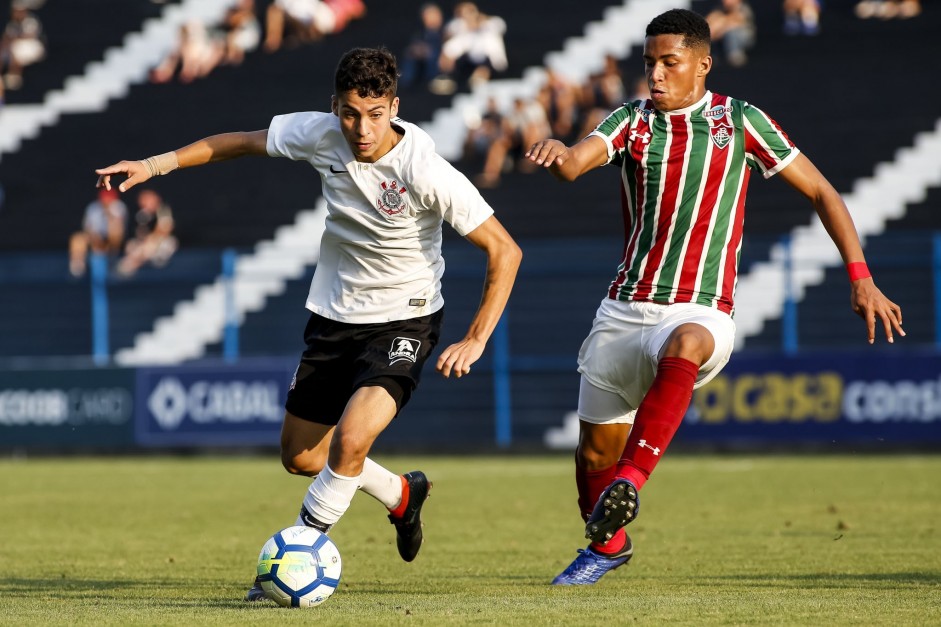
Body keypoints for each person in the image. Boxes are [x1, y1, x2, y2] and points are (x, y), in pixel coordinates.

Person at [95, 46, 521, 599]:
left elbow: (505, 251)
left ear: (394, 106)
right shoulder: (320, 133)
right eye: (349, 113)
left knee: (349, 442)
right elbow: (238, 143)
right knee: (301, 457)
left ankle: (293, 558)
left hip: (405, 323)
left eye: (374, 114)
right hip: (334, 317)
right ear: (334, 107)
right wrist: (154, 165)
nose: (361, 128)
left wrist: (476, 338)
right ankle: (400, 494)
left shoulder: (426, 170)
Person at [525, 9, 904, 586]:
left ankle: (633, 481)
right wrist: (558, 152)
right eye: (649, 62)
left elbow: (823, 191)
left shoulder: (741, 121)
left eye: (669, 63)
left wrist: (860, 274)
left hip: (701, 306)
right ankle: (608, 546)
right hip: (624, 309)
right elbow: (577, 163)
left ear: (702, 65)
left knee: (688, 343)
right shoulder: (630, 120)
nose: (655, 74)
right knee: (593, 458)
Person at [116, 189, 178, 276]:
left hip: (161, 245)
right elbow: (138, 234)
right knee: (131, 246)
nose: (145, 202)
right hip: (144, 247)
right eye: (143, 200)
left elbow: (164, 231)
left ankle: (131, 267)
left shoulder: (163, 210)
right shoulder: (140, 214)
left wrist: (147, 243)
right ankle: (126, 271)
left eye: (148, 199)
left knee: (153, 246)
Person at [69, 187, 127, 277]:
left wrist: (109, 215)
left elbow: (119, 230)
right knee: (78, 238)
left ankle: (112, 259)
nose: (107, 201)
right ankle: (78, 267)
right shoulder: (93, 208)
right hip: (95, 238)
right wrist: (96, 239)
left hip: (112, 241)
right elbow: (87, 228)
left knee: (115, 232)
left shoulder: (119, 207)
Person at [706, 0, 755, 64]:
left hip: (744, 39)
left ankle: (735, 54)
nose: (725, 1)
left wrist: (719, 30)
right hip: (721, 39)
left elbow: (735, 22)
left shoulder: (743, 9)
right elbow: (709, 21)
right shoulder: (720, 9)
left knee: (732, 32)